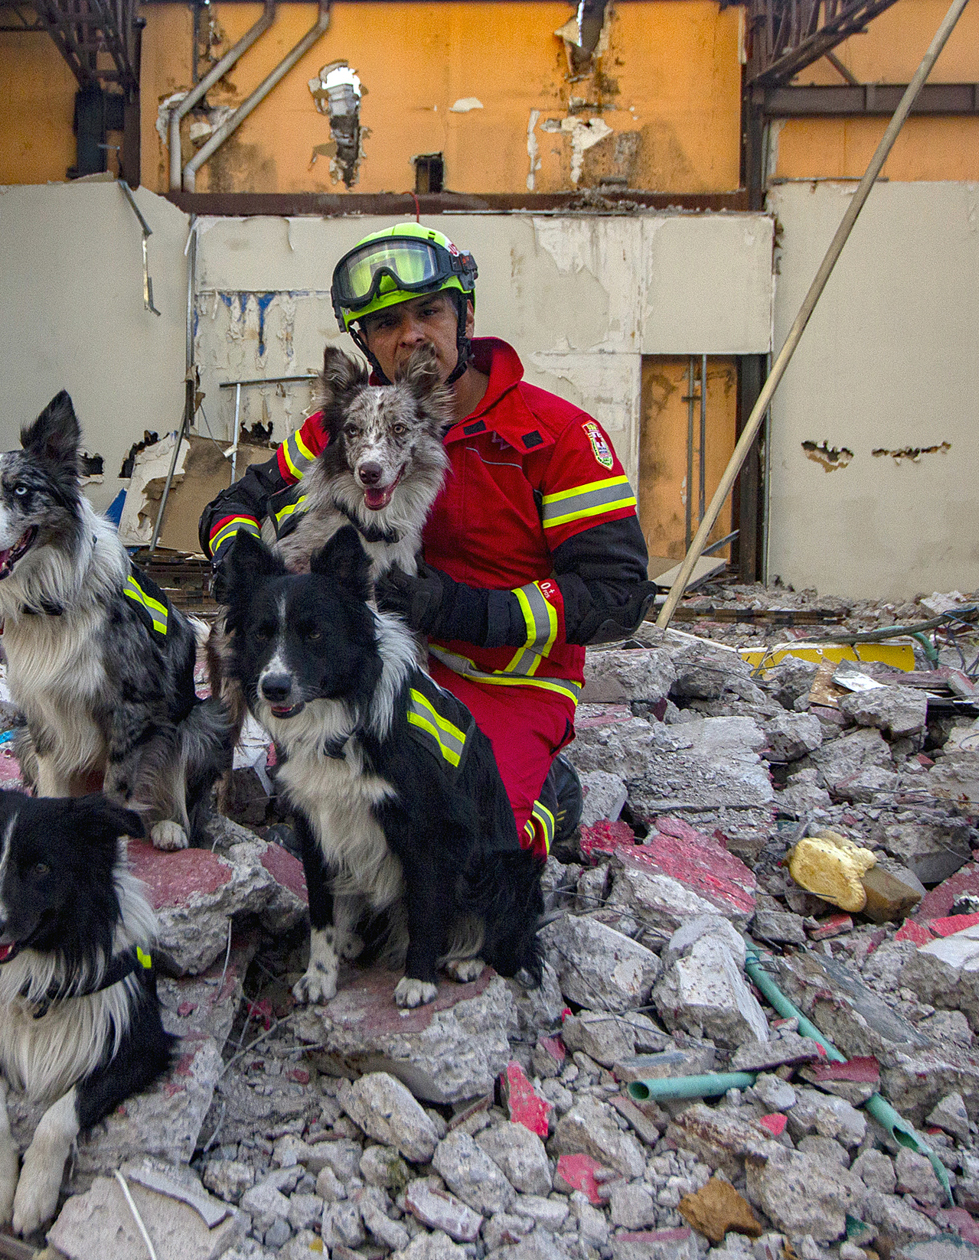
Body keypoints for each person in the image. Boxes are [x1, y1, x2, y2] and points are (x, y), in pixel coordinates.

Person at [200, 223, 654, 859]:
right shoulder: (353, 429)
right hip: (368, 665)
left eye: (429, 310)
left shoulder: (557, 435)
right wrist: (237, 562)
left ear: (464, 312)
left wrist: (460, 609)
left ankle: (550, 795)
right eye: (385, 323)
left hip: (506, 681)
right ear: (365, 341)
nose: (410, 334)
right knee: (343, 854)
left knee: (477, 854)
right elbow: (238, 502)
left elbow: (617, 595)